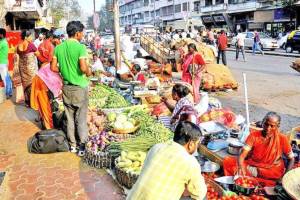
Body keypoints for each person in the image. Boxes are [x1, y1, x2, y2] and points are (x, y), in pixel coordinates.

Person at [127, 121, 207, 200]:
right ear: (191, 144)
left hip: (133, 197)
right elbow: (199, 193)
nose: (196, 147)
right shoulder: (191, 163)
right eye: (197, 144)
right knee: (202, 197)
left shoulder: (156, 147)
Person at [51, 21, 92, 156]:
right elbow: (83, 67)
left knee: (69, 118)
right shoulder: (80, 47)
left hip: (66, 88)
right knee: (80, 118)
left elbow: (53, 68)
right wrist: (88, 72)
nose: (83, 35)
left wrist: (64, 70)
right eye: (82, 33)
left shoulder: (58, 48)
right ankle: (82, 146)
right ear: (77, 33)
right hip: (80, 87)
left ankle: (72, 145)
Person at [223, 112, 295, 186]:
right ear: (263, 122)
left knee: (269, 174)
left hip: (271, 171)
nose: (268, 128)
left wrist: (284, 177)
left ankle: (254, 181)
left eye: (272, 126)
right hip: (254, 167)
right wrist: (240, 165)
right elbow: (243, 154)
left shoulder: (282, 138)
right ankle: (259, 182)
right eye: (266, 124)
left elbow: (291, 159)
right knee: (228, 161)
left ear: (277, 126)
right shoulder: (254, 135)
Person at [16, 30, 38, 106]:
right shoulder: (31, 45)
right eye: (30, 36)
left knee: (25, 84)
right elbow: (38, 54)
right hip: (30, 69)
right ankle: (33, 102)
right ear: (26, 37)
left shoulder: (18, 46)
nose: (31, 37)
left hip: (22, 68)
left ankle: (27, 102)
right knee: (32, 84)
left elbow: (19, 55)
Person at [0, 28, 9, 96]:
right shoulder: (4, 41)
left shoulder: (2, 42)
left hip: (2, 62)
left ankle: (7, 93)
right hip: (3, 62)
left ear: (1, 35)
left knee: (4, 77)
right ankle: (8, 92)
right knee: (5, 77)